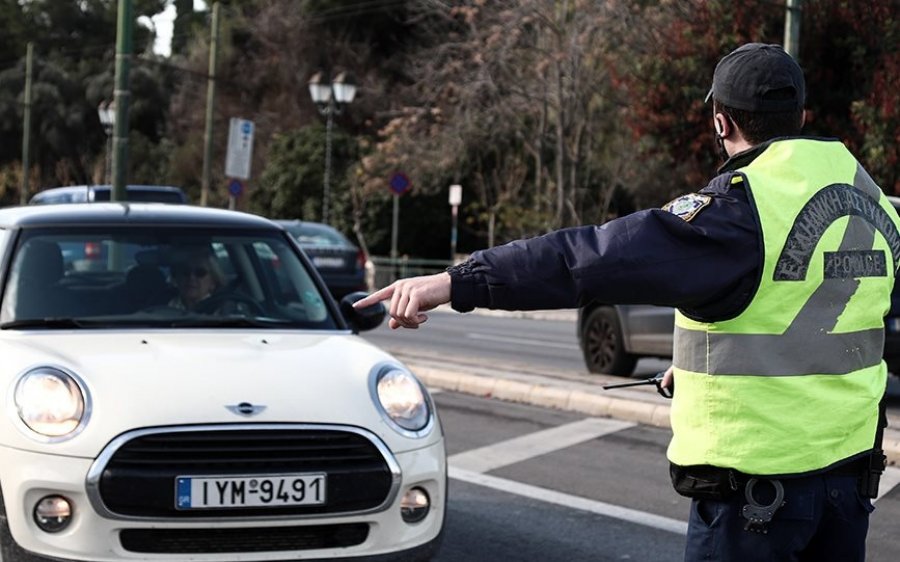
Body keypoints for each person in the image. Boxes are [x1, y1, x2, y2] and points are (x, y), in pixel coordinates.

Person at [355, 43, 900, 561]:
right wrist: (699, 371)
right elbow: (822, 323)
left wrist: (455, 282)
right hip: (846, 490)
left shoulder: (737, 213)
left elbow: (586, 258)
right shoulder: (873, 200)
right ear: (802, 118)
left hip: (760, 501)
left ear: (721, 122)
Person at [168, 246, 225, 311]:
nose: (191, 277)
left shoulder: (223, 310)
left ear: (213, 282)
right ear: (177, 278)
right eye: (186, 272)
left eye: (200, 273)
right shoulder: (163, 306)